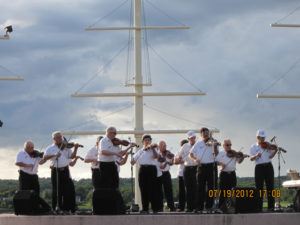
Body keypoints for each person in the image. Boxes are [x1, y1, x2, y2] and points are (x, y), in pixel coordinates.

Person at [43, 131, 79, 214]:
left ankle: (66, 209)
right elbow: (44, 157)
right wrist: (54, 155)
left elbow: (72, 157)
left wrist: (76, 148)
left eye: (61, 137)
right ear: (54, 139)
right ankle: (56, 208)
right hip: (55, 170)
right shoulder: (50, 148)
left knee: (67, 190)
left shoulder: (66, 147)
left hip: (65, 170)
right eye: (58, 137)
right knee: (56, 190)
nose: (60, 139)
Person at [15, 141, 51, 213]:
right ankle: (25, 209)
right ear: (26, 147)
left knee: (36, 193)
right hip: (24, 176)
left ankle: (35, 208)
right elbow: (17, 163)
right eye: (31, 148)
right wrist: (28, 165)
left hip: (34, 176)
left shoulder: (36, 154)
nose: (33, 149)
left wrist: (45, 158)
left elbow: (41, 162)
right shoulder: (21, 153)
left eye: (33, 147)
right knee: (25, 193)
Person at [189, 127, 219, 211]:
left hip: (211, 166)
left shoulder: (213, 142)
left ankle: (209, 206)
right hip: (201, 167)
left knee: (211, 187)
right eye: (205, 134)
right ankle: (199, 207)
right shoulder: (198, 144)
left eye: (208, 133)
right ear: (201, 134)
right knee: (200, 187)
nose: (207, 135)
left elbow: (216, 155)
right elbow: (190, 154)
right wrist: (195, 159)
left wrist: (215, 146)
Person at [250, 129, 277, 211]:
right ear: (257, 137)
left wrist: (275, 150)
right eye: (261, 137)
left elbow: (270, 156)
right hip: (259, 167)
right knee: (259, 188)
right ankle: (259, 207)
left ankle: (271, 207)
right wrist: (256, 155)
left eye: (264, 137)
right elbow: (251, 158)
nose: (263, 139)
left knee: (270, 187)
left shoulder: (268, 145)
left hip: (268, 166)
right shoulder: (253, 147)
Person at [131, 134, 158, 214]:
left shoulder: (154, 149)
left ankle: (154, 208)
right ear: (142, 142)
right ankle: (145, 208)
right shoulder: (140, 151)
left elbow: (156, 157)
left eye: (149, 140)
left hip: (152, 169)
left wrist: (152, 149)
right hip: (142, 170)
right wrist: (132, 159)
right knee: (143, 189)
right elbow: (132, 162)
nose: (147, 141)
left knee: (153, 189)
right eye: (145, 140)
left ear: (150, 141)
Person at [216, 139, 246, 208]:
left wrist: (242, 157)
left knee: (233, 192)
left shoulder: (234, 153)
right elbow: (215, 161)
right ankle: (221, 208)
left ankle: (232, 208)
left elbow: (239, 162)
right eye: (227, 145)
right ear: (223, 146)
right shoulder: (220, 153)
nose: (229, 146)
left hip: (232, 174)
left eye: (230, 145)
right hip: (224, 174)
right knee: (223, 192)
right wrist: (221, 163)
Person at [177, 131, 198, 212]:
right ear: (188, 138)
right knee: (188, 189)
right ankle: (189, 207)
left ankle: (196, 207)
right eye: (191, 138)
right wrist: (179, 157)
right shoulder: (185, 146)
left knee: (195, 188)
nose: (193, 139)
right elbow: (180, 154)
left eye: (194, 137)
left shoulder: (198, 145)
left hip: (196, 167)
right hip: (187, 168)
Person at [158, 140, 175, 211]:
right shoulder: (157, 154)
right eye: (163, 146)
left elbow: (171, 163)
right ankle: (159, 207)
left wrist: (171, 160)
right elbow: (161, 166)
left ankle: (171, 206)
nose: (164, 147)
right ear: (159, 147)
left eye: (165, 146)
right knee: (159, 191)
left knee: (169, 190)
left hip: (167, 173)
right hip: (159, 173)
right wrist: (165, 161)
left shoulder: (168, 153)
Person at [174, 139, 188, 212]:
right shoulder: (179, 152)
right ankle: (181, 207)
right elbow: (175, 161)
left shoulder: (190, 151)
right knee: (181, 191)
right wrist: (183, 161)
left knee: (190, 191)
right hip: (181, 173)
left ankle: (190, 206)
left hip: (189, 173)